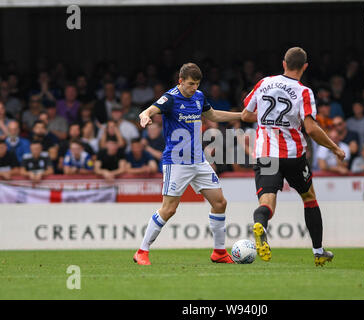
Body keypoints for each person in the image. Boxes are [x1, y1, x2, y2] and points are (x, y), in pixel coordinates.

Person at [241, 47, 346, 266]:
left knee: (267, 202)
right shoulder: (303, 91)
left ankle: (260, 224)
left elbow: (245, 114)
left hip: (266, 154)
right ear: (305, 67)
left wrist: (266, 119)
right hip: (292, 154)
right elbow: (312, 129)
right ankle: (318, 251)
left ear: (283, 64)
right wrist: (335, 148)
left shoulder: (264, 83)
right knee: (309, 198)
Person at [135, 62, 242, 265]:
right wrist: (144, 117)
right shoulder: (170, 98)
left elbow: (214, 115)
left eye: (197, 84)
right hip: (176, 162)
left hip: (199, 161)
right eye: (191, 84)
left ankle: (219, 253)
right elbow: (149, 110)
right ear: (181, 81)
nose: (194, 88)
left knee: (220, 203)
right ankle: (142, 251)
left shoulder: (199, 96)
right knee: (169, 209)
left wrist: (241, 115)